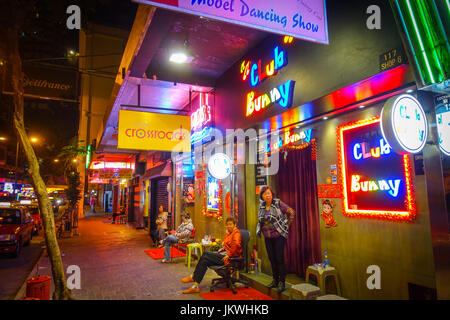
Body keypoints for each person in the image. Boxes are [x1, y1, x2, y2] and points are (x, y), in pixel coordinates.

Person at [181, 217, 242, 294]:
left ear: (235, 225)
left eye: (230, 224)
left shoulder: (236, 233)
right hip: (223, 254)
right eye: (227, 225)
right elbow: (225, 245)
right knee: (205, 261)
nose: (228, 226)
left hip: (229, 258)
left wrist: (229, 255)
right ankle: (195, 286)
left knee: (205, 253)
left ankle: (193, 276)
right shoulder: (229, 234)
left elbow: (236, 245)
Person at [256, 186, 294, 293]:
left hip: (278, 236)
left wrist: (287, 225)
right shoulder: (262, 205)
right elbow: (260, 220)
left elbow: (291, 211)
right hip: (267, 237)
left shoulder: (277, 203)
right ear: (262, 196)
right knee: (272, 259)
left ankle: (282, 282)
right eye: (265, 194)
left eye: (269, 193)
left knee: (279, 259)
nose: (268, 195)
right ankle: (275, 280)